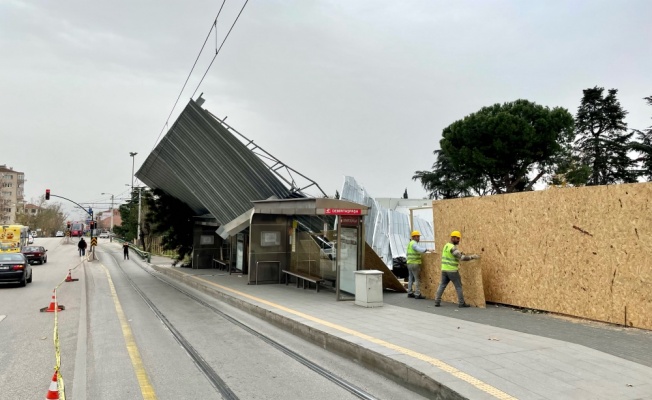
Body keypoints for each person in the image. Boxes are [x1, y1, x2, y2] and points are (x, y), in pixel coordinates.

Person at [434, 231, 480, 308]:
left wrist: (460, 253)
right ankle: (461, 303)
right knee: (458, 286)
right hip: (452, 271)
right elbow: (462, 258)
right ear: (453, 238)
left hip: (444, 270)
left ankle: (437, 301)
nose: (459, 240)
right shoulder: (453, 248)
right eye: (457, 238)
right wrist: (472, 257)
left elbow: (453, 255)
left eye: (459, 238)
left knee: (442, 285)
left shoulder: (446, 246)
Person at [406, 230, 430, 299]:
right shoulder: (414, 243)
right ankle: (417, 294)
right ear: (414, 237)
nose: (419, 238)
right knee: (417, 279)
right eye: (418, 237)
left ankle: (410, 292)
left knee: (410, 278)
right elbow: (418, 249)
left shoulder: (410, 243)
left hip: (409, 263)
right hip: (414, 263)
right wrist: (426, 249)